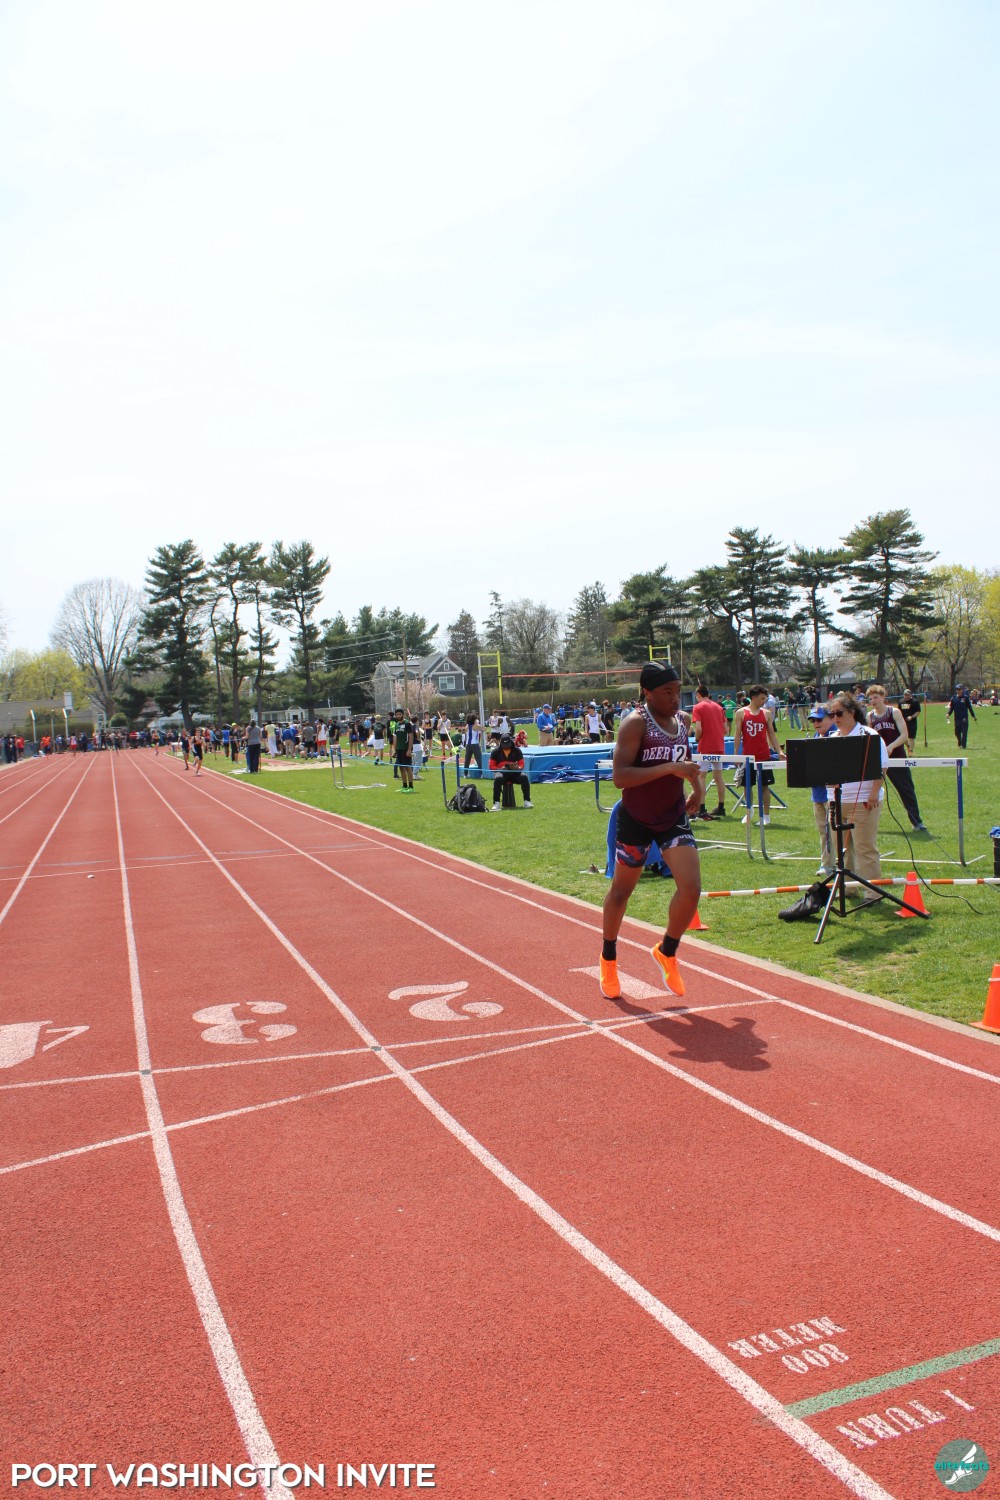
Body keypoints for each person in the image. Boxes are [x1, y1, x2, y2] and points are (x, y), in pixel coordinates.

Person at [600, 662, 702, 1001]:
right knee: (621, 892)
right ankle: (608, 958)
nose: (675, 698)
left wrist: (697, 788)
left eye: (678, 691)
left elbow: (686, 760)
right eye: (667, 692)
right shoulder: (635, 723)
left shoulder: (682, 721)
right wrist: (670, 768)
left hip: (672, 815)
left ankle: (667, 951)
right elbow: (620, 777)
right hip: (637, 819)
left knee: (691, 888)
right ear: (647, 692)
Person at [830, 694, 888, 904]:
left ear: (852, 712)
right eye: (832, 714)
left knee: (865, 848)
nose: (835, 718)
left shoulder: (869, 735)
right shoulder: (833, 738)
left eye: (839, 713)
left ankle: (873, 893)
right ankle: (847, 888)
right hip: (837, 802)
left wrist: (873, 794)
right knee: (842, 850)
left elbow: (881, 767)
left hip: (863, 801)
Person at [866, 685, 927, 832]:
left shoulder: (894, 712)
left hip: (897, 757)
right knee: (869, 791)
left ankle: (917, 822)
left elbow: (904, 735)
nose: (873, 701)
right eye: (871, 698)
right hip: (878, 760)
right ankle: (867, 823)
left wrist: (890, 747)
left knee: (906, 789)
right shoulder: (870, 716)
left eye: (876, 697)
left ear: (883, 697)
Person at [732, 685, 781, 824]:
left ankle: (766, 816)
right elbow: (737, 735)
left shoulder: (766, 713)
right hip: (748, 756)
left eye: (765, 698)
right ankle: (749, 811)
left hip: (763, 755)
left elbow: (771, 734)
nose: (764, 701)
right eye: (762, 698)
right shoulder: (741, 713)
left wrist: (779, 751)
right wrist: (735, 754)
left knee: (765, 786)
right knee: (747, 786)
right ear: (754, 698)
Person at [806, 704, 836, 876]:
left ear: (830, 718)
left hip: (833, 793)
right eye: (813, 720)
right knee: (823, 830)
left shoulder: (836, 735)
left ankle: (840, 864)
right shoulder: (816, 736)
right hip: (817, 792)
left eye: (819, 720)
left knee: (834, 830)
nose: (816, 723)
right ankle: (827, 863)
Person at [690, 685, 728, 820]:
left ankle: (701, 808)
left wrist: (697, 738)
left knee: (701, 777)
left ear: (698, 695)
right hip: (719, 746)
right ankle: (721, 807)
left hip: (706, 746)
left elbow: (698, 729)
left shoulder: (698, 707)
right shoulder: (719, 707)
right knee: (719, 777)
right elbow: (726, 730)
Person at [488, 734, 533, 810]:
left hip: (514, 773)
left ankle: (527, 801)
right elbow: (491, 766)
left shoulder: (517, 750)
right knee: (497, 778)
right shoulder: (495, 751)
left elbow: (522, 764)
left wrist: (517, 768)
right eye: (504, 745)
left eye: (507, 744)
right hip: (502, 773)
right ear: (501, 743)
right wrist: (500, 769)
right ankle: (496, 803)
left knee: (524, 777)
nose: (506, 746)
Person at [394, 715, 415, 791]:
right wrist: (395, 750)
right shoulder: (396, 724)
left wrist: (409, 749)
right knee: (401, 768)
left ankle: (411, 787)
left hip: (405, 749)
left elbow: (411, 736)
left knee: (407, 767)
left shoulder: (407, 723)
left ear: (402, 715)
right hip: (399, 749)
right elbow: (395, 737)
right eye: (397, 714)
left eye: (400, 714)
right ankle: (404, 786)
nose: (398, 716)